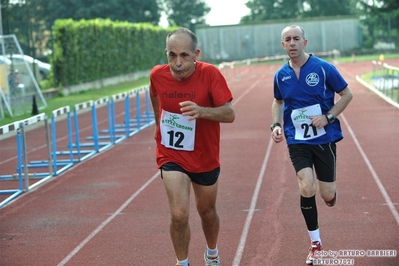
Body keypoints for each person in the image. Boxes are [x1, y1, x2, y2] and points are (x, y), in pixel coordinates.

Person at [149, 27, 235, 266]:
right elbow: (154, 94)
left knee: (206, 212)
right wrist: (158, 123)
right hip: (171, 153)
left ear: (196, 53)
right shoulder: (157, 74)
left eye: (184, 56)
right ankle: (182, 262)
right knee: (179, 214)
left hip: (204, 155)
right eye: (172, 55)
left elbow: (230, 113)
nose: (178, 63)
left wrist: (202, 111)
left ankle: (212, 252)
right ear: (166, 54)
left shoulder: (211, 74)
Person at [270, 25, 353, 265]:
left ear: (305, 42)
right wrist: (275, 124)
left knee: (326, 194)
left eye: (297, 38)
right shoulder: (280, 75)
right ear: (283, 45)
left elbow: (347, 94)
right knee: (306, 187)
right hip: (297, 140)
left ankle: (330, 194)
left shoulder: (324, 68)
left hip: (324, 138)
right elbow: (277, 101)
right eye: (288, 39)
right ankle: (315, 243)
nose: (292, 43)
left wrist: (328, 117)